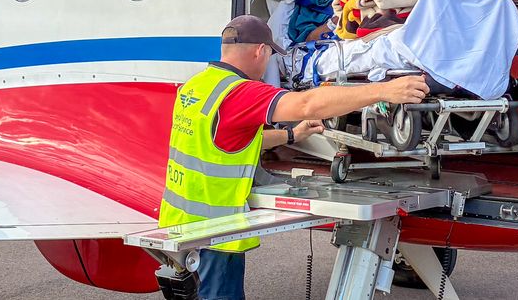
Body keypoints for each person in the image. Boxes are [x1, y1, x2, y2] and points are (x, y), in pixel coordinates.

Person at [159, 15, 429, 300]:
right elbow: (306, 103)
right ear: (260, 51)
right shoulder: (240, 93)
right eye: (270, 55)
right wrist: (385, 90)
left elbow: (227, 140)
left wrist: (291, 136)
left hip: (181, 222)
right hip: (213, 232)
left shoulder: (197, 86)